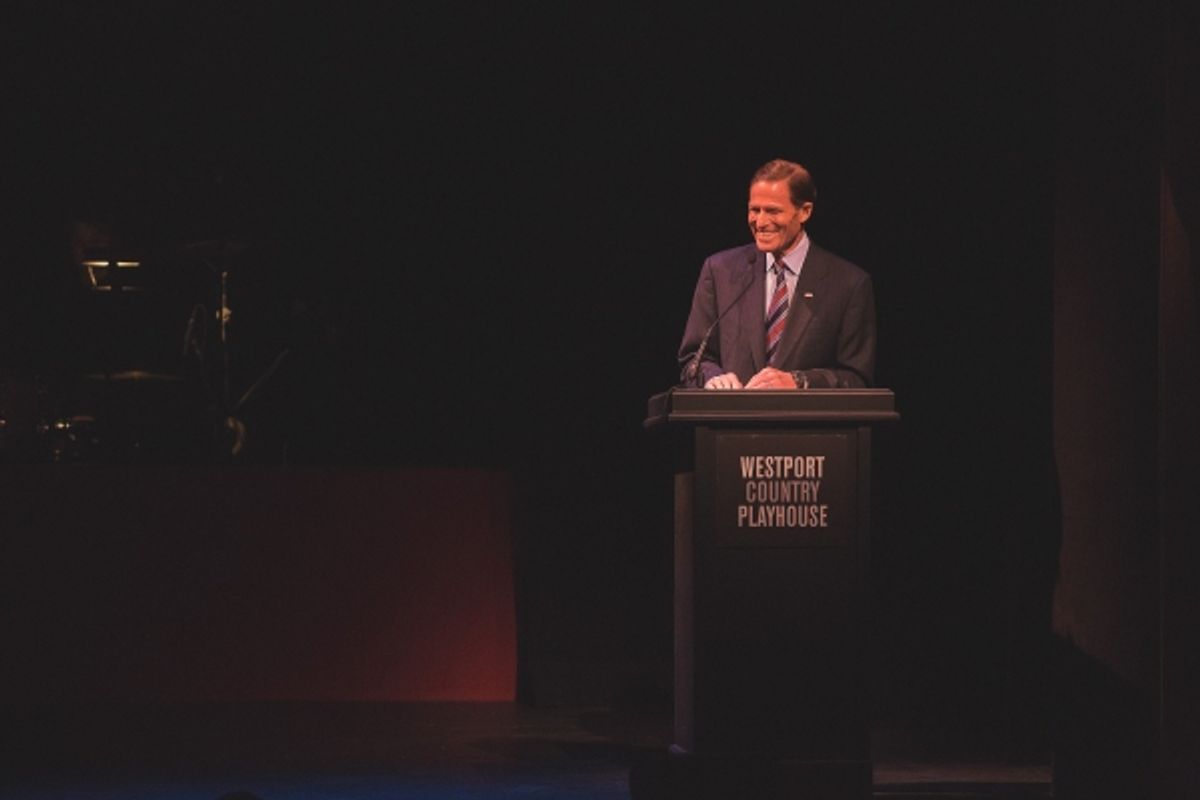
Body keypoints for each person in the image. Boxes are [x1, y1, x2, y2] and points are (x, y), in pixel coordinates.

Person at [677, 159, 876, 390]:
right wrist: (713, 378)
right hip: (732, 423)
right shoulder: (720, 270)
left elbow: (856, 377)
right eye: (754, 210)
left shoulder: (849, 284)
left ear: (804, 212)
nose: (760, 222)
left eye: (773, 211)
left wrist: (799, 382)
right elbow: (694, 359)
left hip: (808, 425)